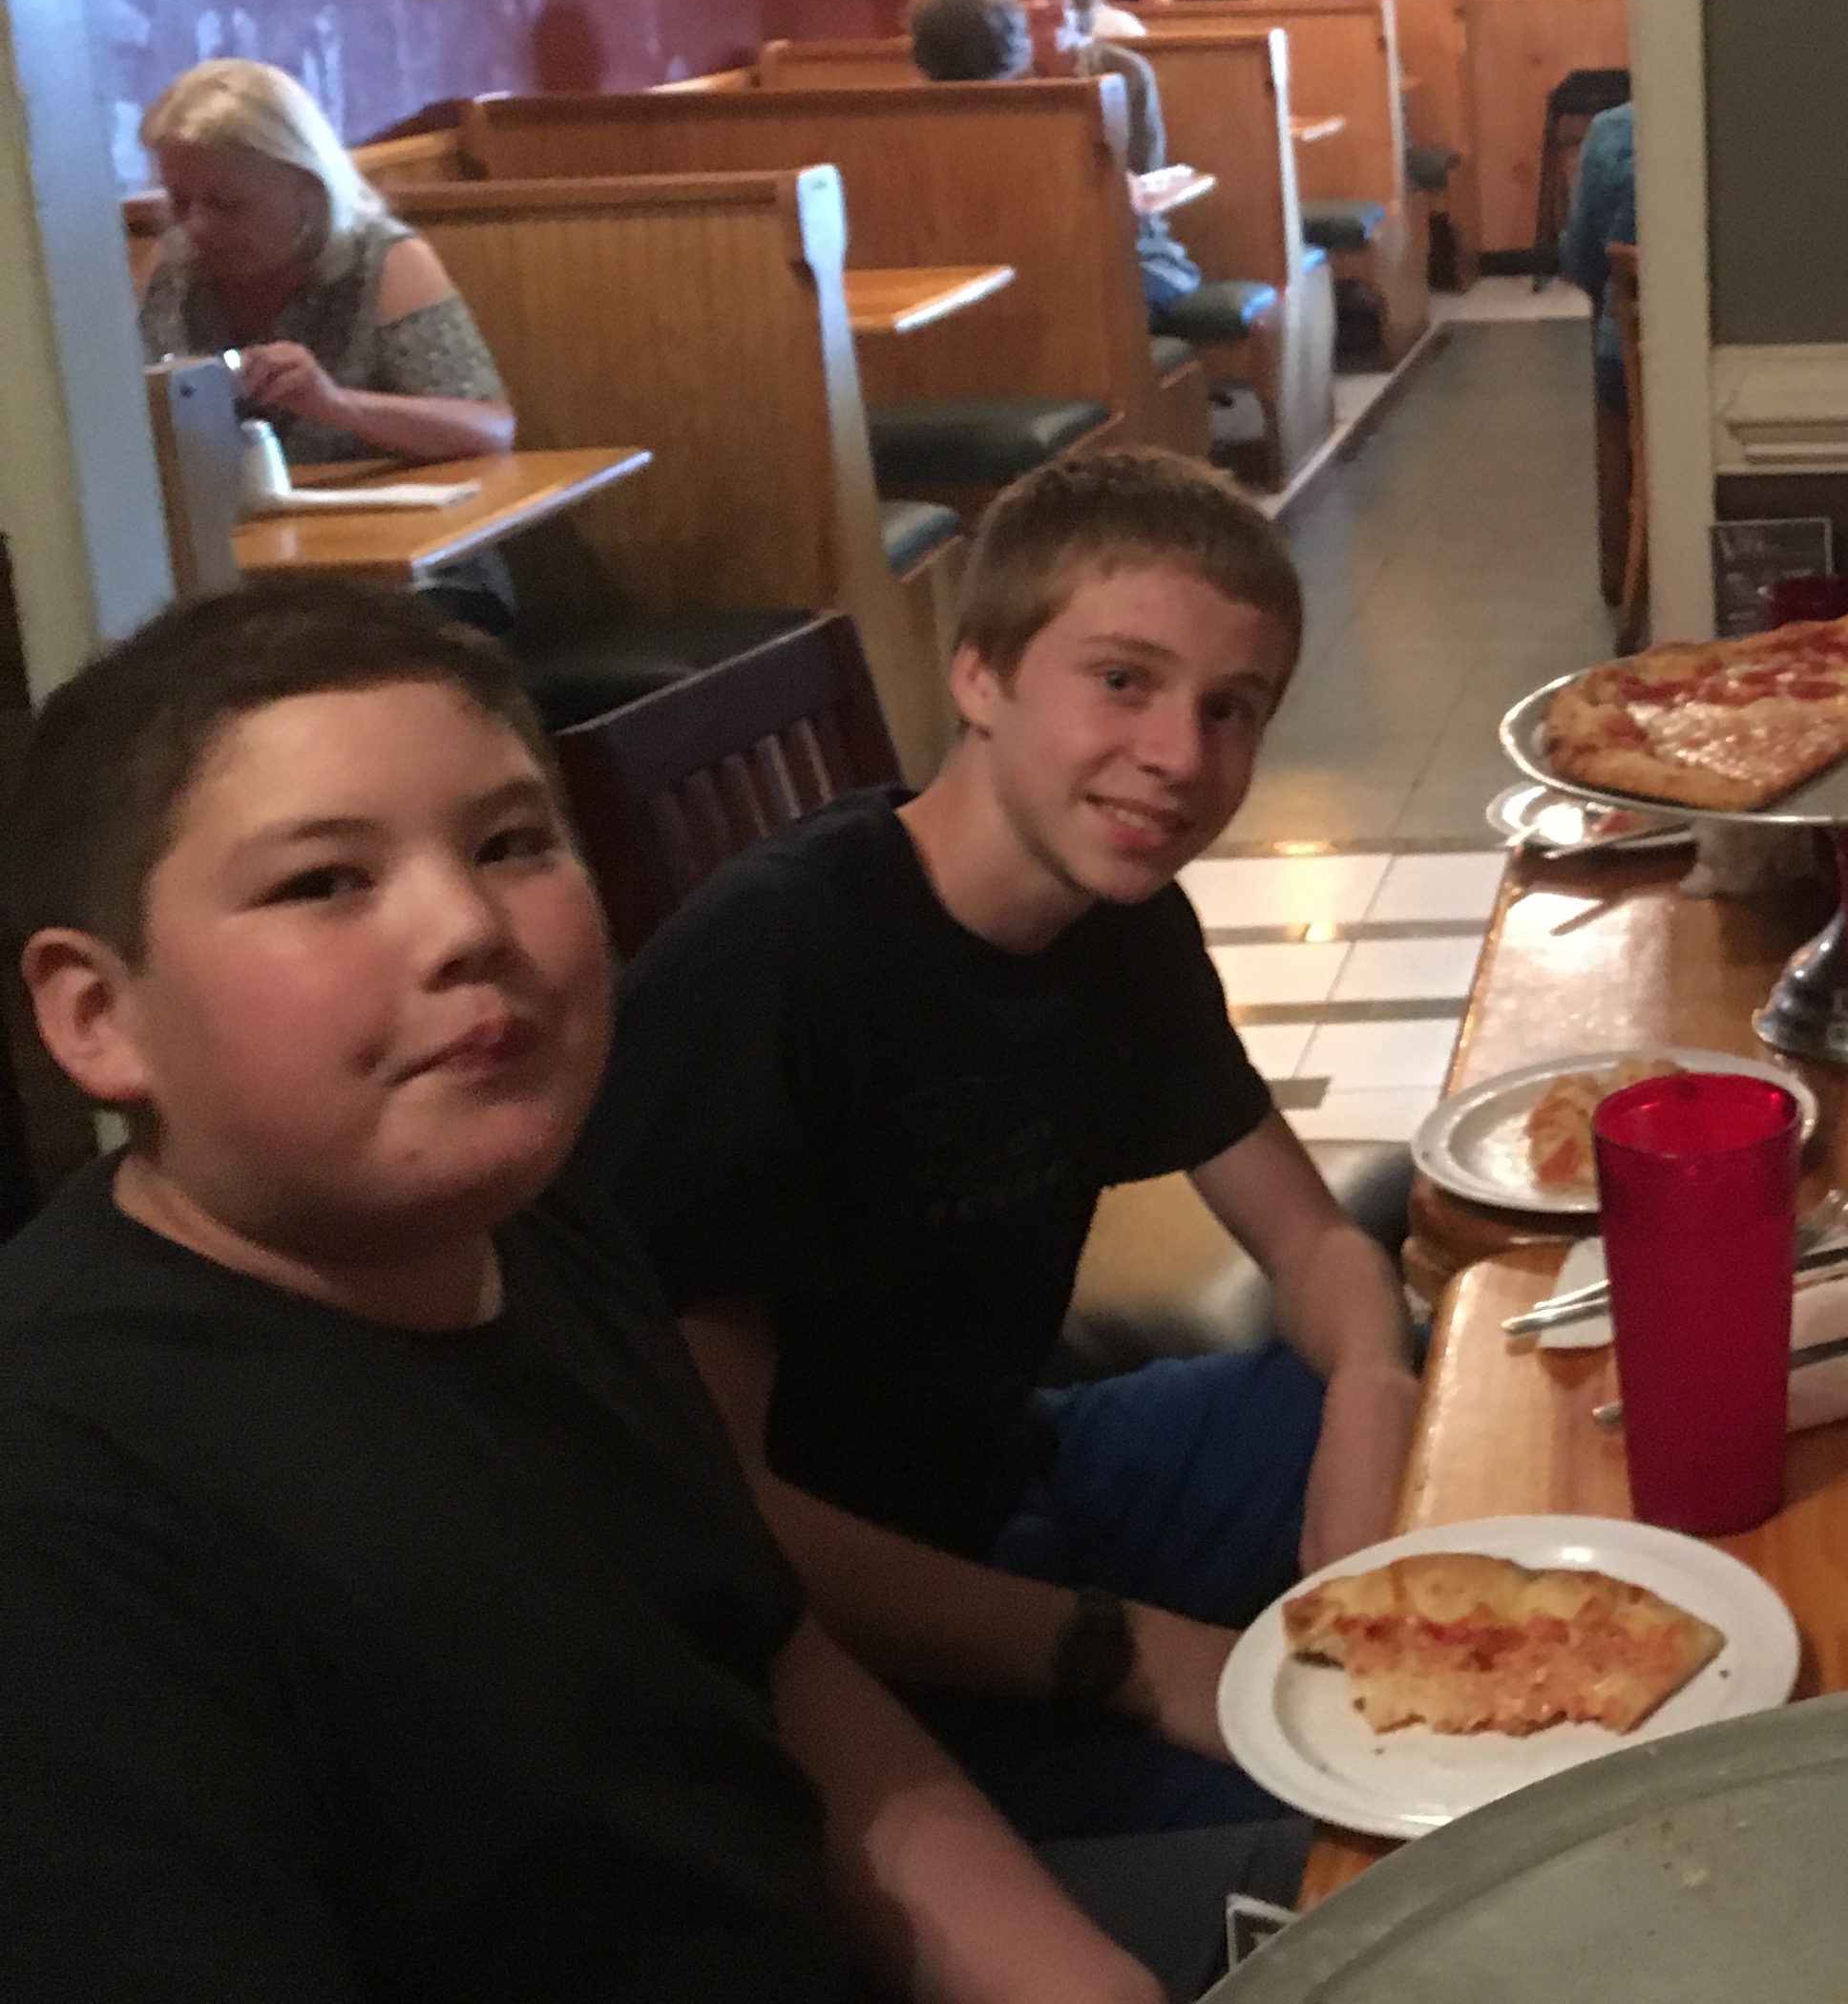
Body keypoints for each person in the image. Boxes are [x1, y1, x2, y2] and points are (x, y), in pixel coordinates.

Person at [0, 581, 1150, 2004]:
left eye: (511, 843)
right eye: (324, 881)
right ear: (98, 1016)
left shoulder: (537, 1218)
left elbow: (772, 1658)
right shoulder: (65, 1511)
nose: (467, 925)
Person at [575, 450, 1420, 1867]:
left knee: (1444, 1411)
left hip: (1022, 1476)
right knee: (1363, 1845)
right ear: (978, 675)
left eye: (1232, 708)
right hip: (833, 1652)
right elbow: (711, 1516)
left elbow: (1310, 1239)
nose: (1181, 756)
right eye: (1123, 681)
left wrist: (1373, 1390)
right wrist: (1124, 1652)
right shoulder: (773, 964)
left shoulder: (1122, 920)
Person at [136, 54, 521, 622]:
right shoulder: (173, 272)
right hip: (242, 581)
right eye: (180, 202)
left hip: (408, 584)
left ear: (306, 189)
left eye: (226, 204)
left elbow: (489, 429)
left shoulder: (385, 262)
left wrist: (337, 404)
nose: (197, 227)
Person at [920, 0, 1206, 324]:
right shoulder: (1006, 97)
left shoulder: (1123, 71)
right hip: (1050, 266)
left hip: (1107, 251)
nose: (1039, 4)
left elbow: (1142, 180)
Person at [1558, 95, 1638, 604]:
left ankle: (1620, 570)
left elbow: (1584, 258)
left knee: (1614, 360)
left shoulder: (1614, 131)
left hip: (1629, 359)